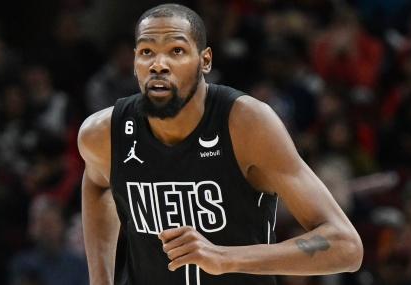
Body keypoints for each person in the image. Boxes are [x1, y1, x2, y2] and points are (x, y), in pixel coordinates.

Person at [77, 4, 363, 285]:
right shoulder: (104, 134)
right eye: (146, 52)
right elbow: (96, 183)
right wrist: (100, 279)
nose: (159, 64)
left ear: (205, 60)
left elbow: (346, 246)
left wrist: (224, 258)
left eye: (176, 51)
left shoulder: (247, 124)